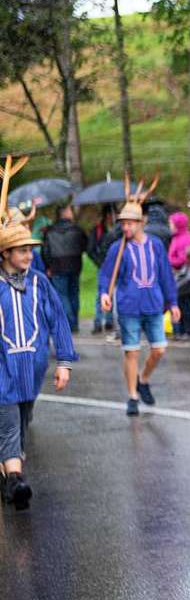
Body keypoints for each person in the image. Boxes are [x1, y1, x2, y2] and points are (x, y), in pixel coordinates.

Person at [0, 216, 76, 510]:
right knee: (8, 425)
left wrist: (64, 362)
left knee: (21, 421)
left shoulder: (38, 281)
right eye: (21, 250)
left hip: (32, 369)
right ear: (5, 253)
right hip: (3, 368)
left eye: (30, 250)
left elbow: (58, 319)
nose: (29, 256)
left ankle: (8, 474)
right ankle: (16, 479)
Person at [99, 199, 181, 416]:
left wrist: (172, 302)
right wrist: (104, 293)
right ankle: (133, 396)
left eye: (130, 223)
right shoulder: (118, 248)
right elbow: (106, 274)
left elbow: (165, 274)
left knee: (159, 349)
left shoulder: (155, 245)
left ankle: (143, 379)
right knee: (131, 352)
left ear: (141, 222)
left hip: (153, 304)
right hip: (128, 306)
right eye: (123, 224)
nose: (126, 228)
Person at [41, 202, 88, 332]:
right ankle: (74, 323)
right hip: (74, 264)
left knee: (63, 295)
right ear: (65, 213)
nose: (71, 212)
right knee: (73, 294)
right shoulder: (77, 229)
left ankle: (70, 322)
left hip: (57, 266)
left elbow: (45, 251)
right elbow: (85, 245)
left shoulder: (50, 231)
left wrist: (48, 265)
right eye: (69, 210)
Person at [87, 205, 117, 333]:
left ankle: (110, 321)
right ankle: (98, 321)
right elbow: (90, 249)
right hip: (104, 266)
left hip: (117, 266)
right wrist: (99, 262)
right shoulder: (98, 230)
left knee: (114, 293)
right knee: (102, 293)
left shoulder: (118, 230)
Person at [168, 211, 190, 339]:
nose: (170, 226)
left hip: (182, 276)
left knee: (184, 304)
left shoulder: (183, 239)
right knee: (183, 302)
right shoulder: (177, 237)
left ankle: (187, 330)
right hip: (179, 276)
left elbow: (183, 259)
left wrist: (169, 261)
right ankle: (183, 330)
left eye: (171, 224)